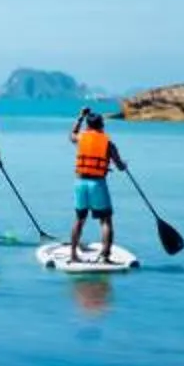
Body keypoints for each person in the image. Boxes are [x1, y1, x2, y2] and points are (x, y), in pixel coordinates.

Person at [68, 107, 124, 259]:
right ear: (101, 126)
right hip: (97, 184)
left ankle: (73, 254)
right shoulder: (109, 144)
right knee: (105, 220)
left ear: (87, 126)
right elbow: (119, 166)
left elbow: (71, 135)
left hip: (80, 183)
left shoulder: (80, 138)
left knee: (79, 219)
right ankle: (105, 255)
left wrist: (80, 116)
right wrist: (123, 165)